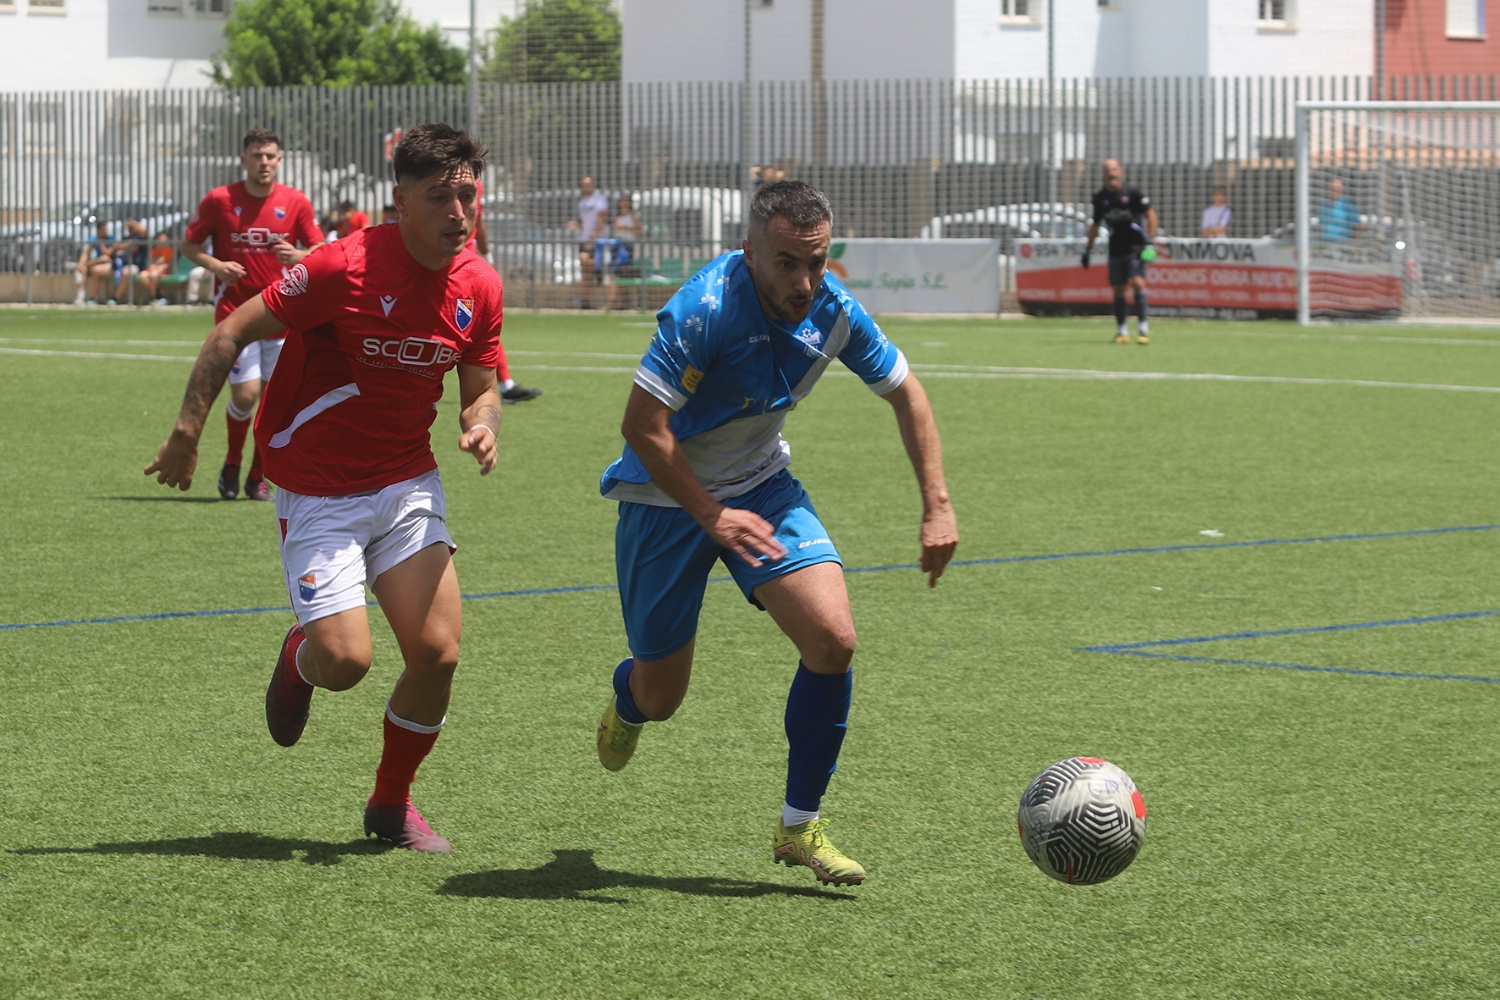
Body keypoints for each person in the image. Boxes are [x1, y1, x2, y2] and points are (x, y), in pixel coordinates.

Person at [144, 122, 506, 855]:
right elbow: (230, 334)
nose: (459, 213)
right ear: (399, 200)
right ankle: (300, 656)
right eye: (440, 198)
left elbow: (481, 382)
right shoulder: (343, 268)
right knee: (345, 663)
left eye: (467, 195)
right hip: (318, 490)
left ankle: (391, 803)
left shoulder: (479, 283)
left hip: (407, 484)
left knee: (437, 655)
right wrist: (186, 431)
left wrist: (482, 420)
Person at [594, 180, 959, 887]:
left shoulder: (833, 311)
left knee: (833, 639)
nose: (804, 282)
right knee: (663, 696)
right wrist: (710, 513)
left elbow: (907, 394)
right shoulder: (702, 311)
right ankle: (629, 697)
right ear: (750, 251)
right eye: (787, 262)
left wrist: (937, 504)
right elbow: (642, 427)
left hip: (762, 486)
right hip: (663, 500)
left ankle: (799, 828)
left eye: (817, 262)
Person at [181, 128, 324, 502]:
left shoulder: (295, 202)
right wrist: (217, 265)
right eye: (257, 155)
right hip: (235, 314)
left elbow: (320, 249)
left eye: (270, 156)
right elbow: (189, 244)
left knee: (274, 400)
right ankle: (232, 462)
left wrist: (300, 257)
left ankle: (256, 477)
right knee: (245, 396)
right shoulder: (220, 200)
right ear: (244, 159)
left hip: (282, 313)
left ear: (279, 160)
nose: (264, 162)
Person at [469, 178, 541, 404]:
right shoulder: (447, 175)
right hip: (448, 263)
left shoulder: (474, 182)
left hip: (465, 262)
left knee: (483, 324)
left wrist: (486, 255)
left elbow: (478, 220)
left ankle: (505, 384)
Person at [1083, 158, 1158, 345]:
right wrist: (1088, 249)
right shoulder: (1100, 198)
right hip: (1116, 248)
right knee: (1118, 289)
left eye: (1114, 169)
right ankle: (1122, 331)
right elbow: (1095, 224)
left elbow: (1151, 215)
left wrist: (1150, 240)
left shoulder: (1132, 193)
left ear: (1120, 172)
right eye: (1108, 170)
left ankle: (1143, 328)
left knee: (1138, 282)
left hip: (1136, 247)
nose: (1111, 173)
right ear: (1103, 174)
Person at [569, 174, 609, 308]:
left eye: (588, 184)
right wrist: (576, 225)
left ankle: (597, 271)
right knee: (585, 269)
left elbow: (602, 219)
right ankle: (586, 301)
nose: (585, 187)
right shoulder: (582, 202)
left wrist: (593, 236)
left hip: (595, 241)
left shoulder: (599, 200)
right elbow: (584, 222)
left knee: (585, 261)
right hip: (584, 239)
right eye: (583, 184)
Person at [603, 192, 642, 311]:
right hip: (616, 246)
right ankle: (620, 302)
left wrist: (624, 228)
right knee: (615, 274)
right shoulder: (617, 216)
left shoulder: (633, 216)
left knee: (616, 273)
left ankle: (612, 302)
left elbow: (639, 231)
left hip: (626, 247)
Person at [74, 220, 117, 305]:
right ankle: (80, 297)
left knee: (96, 269)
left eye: (105, 229)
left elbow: (107, 256)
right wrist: (81, 263)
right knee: (83, 269)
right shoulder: (94, 239)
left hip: (110, 265)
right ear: (98, 230)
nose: (105, 232)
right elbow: (86, 253)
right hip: (97, 263)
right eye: (103, 230)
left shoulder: (111, 239)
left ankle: (95, 297)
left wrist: (101, 244)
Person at [111, 220, 152, 304]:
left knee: (126, 272)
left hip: (135, 266)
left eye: (132, 227)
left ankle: (116, 298)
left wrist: (133, 222)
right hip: (119, 264)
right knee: (97, 270)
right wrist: (127, 245)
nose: (130, 229)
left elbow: (144, 231)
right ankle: (94, 297)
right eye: (129, 227)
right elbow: (115, 247)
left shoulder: (141, 238)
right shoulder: (126, 238)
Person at [1319, 177, 1360, 243]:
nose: (1334, 190)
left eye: (1337, 188)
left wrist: (1352, 242)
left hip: (1344, 244)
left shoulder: (1347, 205)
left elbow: (1358, 226)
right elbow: (1321, 225)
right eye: (1332, 188)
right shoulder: (1324, 205)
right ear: (1328, 189)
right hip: (1327, 244)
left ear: (1341, 190)